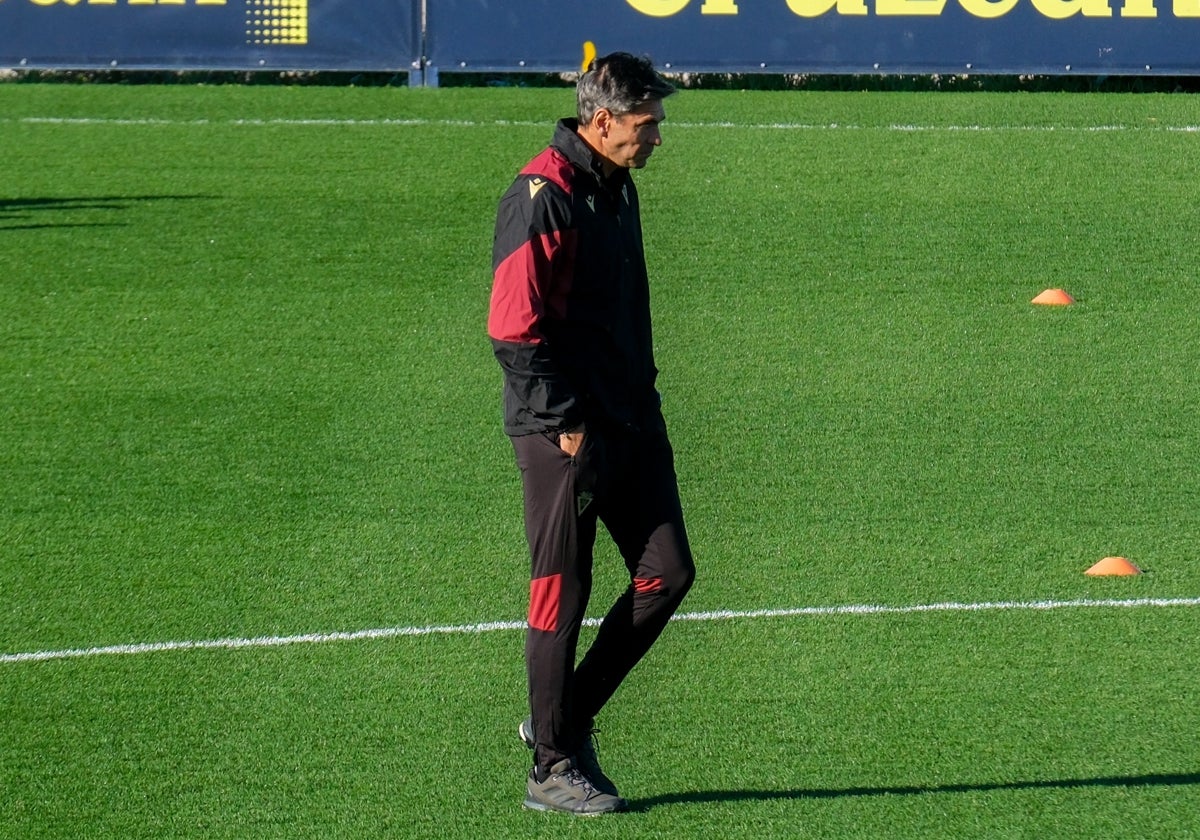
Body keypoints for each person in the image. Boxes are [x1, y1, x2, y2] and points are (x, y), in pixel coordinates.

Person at [488, 52, 697, 816]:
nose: (658, 137)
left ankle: (561, 720)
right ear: (601, 119)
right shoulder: (541, 194)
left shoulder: (615, 184)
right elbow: (513, 329)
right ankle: (551, 766)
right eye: (647, 124)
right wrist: (566, 423)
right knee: (561, 596)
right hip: (566, 435)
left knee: (667, 573)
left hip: (633, 419)